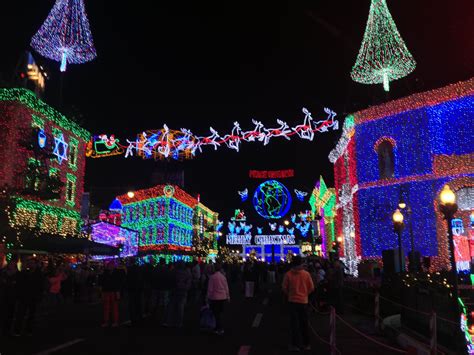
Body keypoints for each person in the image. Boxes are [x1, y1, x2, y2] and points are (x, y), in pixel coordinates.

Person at [282, 255, 314, 352]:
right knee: (304, 323)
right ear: (301, 263)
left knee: (294, 325)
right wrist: (304, 294)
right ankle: (306, 344)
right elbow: (311, 288)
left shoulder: (288, 274)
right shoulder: (306, 274)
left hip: (292, 301)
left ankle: (295, 345)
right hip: (303, 301)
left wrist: (290, 294)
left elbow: (284, 288)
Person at [13, 258, 45, 336]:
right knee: (20, 314)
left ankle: (28, 329)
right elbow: (19, 285)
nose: (31, 264)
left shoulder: (39, 274)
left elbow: (41, 286)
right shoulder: (24, 273)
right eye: (30, 263)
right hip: (24, 297)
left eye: (32, 263)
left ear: (35, 264)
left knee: (31, 315)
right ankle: (18, 330)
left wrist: (39, 296)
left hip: (33, 297)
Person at [163, 261, 191, 327]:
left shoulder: (172, 272)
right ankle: (179, 323)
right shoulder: (187, 273)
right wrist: (184, 288)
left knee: (171, 307)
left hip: (173, 291)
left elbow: (169, 281)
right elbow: (188, 284)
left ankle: (169, 321)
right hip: (182, 292)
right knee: (180, 308)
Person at [207, 263, 230, 335]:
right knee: (220, 312)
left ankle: (218, 328)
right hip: (222, 297)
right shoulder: (223, 277)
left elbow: (210, 289)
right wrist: (228, 296)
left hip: (215, 297)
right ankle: (219, 327)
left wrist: (208, 297)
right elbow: (226, 287)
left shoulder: (212, 277)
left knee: (216, 313)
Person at [99, 261, 122, 327]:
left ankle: (115, 321)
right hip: (107, 291)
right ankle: (106, 321)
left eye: (112, 265)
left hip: (113, 291)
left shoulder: (117, 272)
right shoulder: (105, 272)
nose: (110, 266)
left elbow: (119, 282)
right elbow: (101, 281)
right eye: (109, 265)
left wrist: (118, 290)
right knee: (106, 307)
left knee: (114, 307)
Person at [1, 260, 19, 336]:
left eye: (13, 263)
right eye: (10, 263)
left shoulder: (18, 274)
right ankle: (3, 329)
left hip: (12, 297)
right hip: (3, 295)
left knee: (10, 314)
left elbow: (19, 286)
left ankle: (7, 329)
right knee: (3, 313)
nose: (11, 265)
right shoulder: (3, 272)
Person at [126, 258, 144, 326]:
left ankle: (133, 318)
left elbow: (127, 279)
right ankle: (139, 316)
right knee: (138, 302)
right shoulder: (139, 268)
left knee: (132, 303)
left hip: (131, 288)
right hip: (138, 288)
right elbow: (141, 278)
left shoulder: (129, 269)